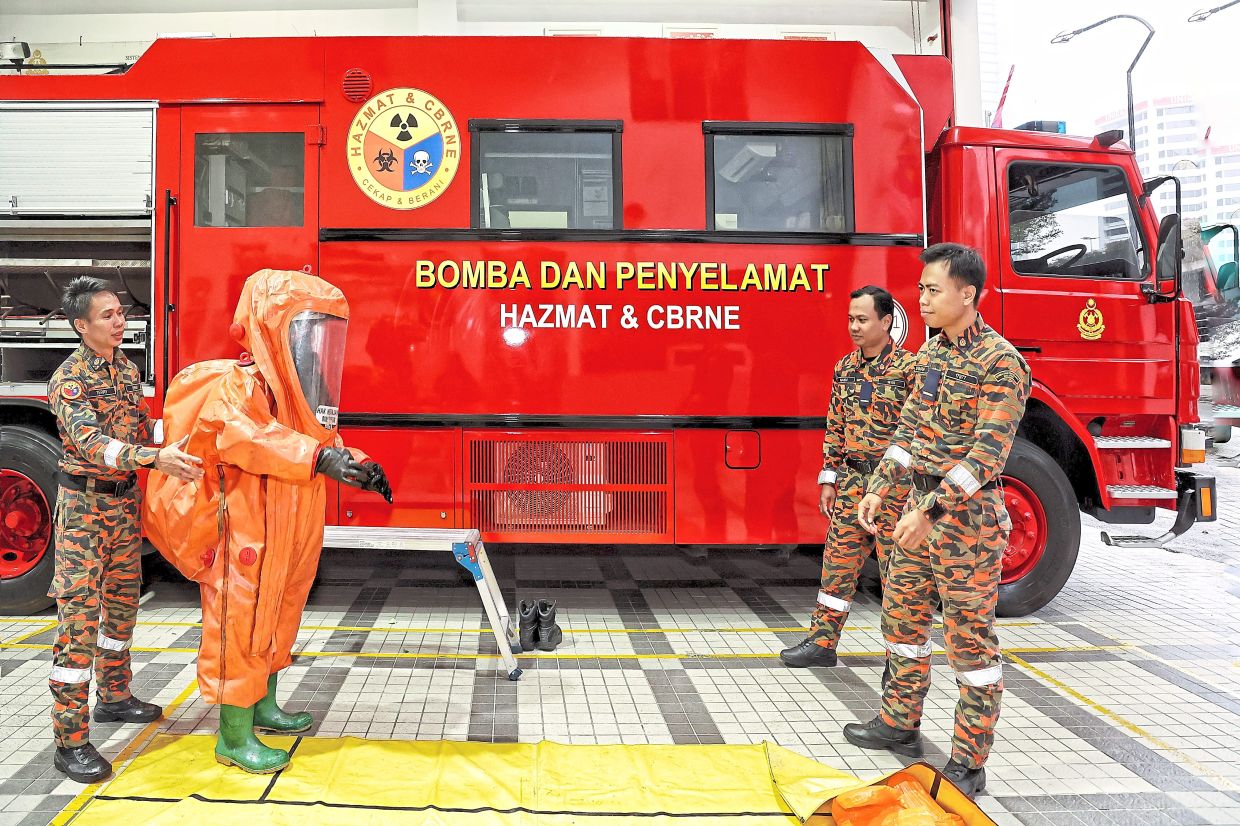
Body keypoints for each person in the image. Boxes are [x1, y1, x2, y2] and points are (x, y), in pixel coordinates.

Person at [143, 269, 391, 775]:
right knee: (242, 622)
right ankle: (234, 737)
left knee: (281, 611)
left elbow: (321, 438)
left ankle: (264, 706)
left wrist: (358, 465)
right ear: (270, 326)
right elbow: (241, 436)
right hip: (248, 526)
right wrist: (318, 459)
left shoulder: (301, 386)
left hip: (294, 520)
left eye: (320, 328)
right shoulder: (241, 384)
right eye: (304, 326)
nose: (313, 340)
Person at [848, 243, 1031, 798]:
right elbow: (907, 434)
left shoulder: (1001, 362)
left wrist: (931, 511)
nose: (922, 300)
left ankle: (969, 762)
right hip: (915, 511)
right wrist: (879, 488)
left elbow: (987, 456)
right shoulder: (930, 355)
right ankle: (899, 723)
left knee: (969, 644)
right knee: (902, 624)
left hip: (966, 524)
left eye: (933, 290)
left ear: (967, 294)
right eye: (921, 289)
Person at [47, 277, 204, 784]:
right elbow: (93, 444)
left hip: (122, 508)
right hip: (84, 513)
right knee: (78, 625)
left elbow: (138, 427)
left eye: (121, 312)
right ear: (81, 325)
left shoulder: (125, 369)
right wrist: (154, 459)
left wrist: (187, 428)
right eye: (108, 315)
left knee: (121, 608)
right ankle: (70, 742)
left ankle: (114, 697)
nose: (120, 322)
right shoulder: (69, 381)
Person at [780, 286, 915, 668]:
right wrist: (829, 477)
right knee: (837, 567)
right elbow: (836, 425)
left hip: (894, 489)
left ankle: (900, 662)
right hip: (853, 484)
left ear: (885, 322)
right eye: (851, 319)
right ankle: (822, 644)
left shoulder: (910, 369)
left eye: (862, 319)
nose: (854, 327)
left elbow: (916, 432)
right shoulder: (845, 368)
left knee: (898, 578)